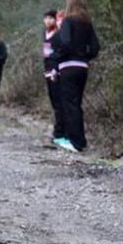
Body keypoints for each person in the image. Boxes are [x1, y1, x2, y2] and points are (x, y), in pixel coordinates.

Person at [52, 0, 101, 153]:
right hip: (82, 68)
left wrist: (56, 56)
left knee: (69, 104)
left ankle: (76, 142)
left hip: (68, 67)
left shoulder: (68, 21)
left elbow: (65, 42)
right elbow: (95, 48)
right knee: (77, 103)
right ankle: (81, 140)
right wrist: (84, 57)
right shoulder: (87, 23)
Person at [43, 10, 66, 144]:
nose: (48, 21)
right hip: (47, 70)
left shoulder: (59, 34)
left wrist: (55, 69)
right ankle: (58, 129)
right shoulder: (45, 33)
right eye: (46, 18)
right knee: (54, 101)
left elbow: (60, 53)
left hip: (56, 71)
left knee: (59, 102)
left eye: (51, 18)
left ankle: (60, 132)